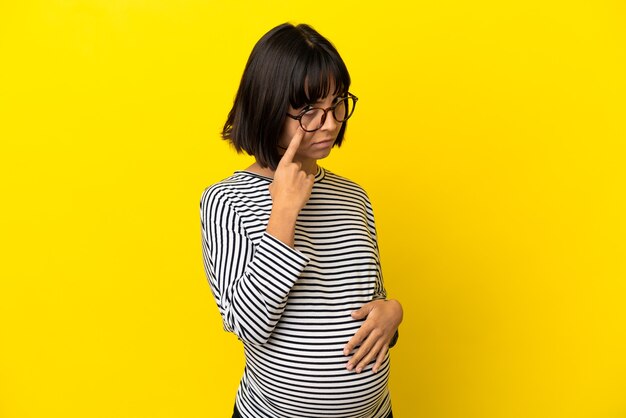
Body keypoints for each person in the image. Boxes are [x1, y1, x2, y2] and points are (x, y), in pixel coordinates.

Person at [200, 22, 403, 418]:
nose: (329, 123)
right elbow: (247, 325)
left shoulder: (354, 196)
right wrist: (284, 212)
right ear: (268, 107)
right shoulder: (227, 201)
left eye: (337, 103)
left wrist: (393, 313)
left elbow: (368, 303)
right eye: (308, 110)